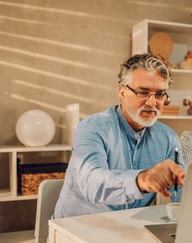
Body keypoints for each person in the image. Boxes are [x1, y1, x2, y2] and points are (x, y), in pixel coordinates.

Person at [53, 53, 185, 218]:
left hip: (129, 230)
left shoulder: (168, 138)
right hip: (76, 230)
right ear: (122, 92)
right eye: (143, 92)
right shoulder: (92, 128)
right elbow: (92, 184)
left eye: (160, 94)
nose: (152, 103)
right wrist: (141, 180)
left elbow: (181, 191)